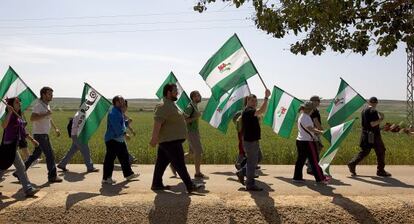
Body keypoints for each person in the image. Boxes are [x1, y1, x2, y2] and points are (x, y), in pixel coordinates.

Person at [149, 83, 202, 193]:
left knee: (161, 164)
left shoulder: (171, 104)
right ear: (168, 92)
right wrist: (154, 138)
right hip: (170, 141)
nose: (177, 92)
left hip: (169, 141)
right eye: (175, 91)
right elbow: (158, 122)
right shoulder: (162, 105)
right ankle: (190, 185)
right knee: (180, 164)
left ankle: (156, 184)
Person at [0, 97, 40, 197]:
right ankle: (28, 189)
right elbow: (4, 126)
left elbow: (23, 132)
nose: (19, 104)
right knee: (3, 168)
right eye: (17, 102)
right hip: (7, 146)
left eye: (19, 102)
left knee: (20, 167)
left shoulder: (18, 117)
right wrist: (9, 113)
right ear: (11, 105)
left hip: (14, 145)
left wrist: (32, 140)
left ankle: (28, 189)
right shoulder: (9, 115)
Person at [22, 86, 62, 183]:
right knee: (50, 154)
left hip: (43, 134)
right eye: (49, 94)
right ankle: (52, 176)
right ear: (43, 95)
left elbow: (49, 118)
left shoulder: (46, 105)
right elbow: (32, 118)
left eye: (52, 94)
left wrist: (55, 128)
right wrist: (46, 114)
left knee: (36, 155)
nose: (51, 96)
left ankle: (19, 172)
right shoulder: (38, 105)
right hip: (40, 134)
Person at [236, 89, 271, 191]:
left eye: (255, 101)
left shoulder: (250, 110)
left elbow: (260, 112)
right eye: (252, 101)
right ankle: (250, 184)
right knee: (252, 162)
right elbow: (261, 111)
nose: (254, 103)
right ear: (247, 101)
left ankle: (242, 171)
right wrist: (266, 98)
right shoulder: (248, 111)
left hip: (253, 140)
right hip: (250, 141)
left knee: (258, 158)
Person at [347, 97, 392, 177]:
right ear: (376, 103)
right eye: (375, 103)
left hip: (365, 134)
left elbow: (367, 124)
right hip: (374, 136)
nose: (375, 104)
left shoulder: (364, 110)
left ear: (369, 102)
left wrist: (380, 127)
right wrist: (381, 119)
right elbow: (372, 124)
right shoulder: (373, 111)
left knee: (365, 151)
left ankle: (352, 163)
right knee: (381, 151)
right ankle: (380, 171)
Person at [102, 95, 139, 184]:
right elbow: (116, 127)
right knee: (110, 159)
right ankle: (106, 178)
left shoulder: (118, 112)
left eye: (123, 101)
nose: (123, 102)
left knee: (124, 157)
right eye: (121, 101)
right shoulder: (113, 112)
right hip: (112, 139)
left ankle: (129, 174)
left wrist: (126, 123)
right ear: (116, 102)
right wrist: (125, 134)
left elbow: (121, 125)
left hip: (118, 139)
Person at [293, 101, 329, 184]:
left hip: (300, 141)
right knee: (314, 160)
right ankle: (320, 179)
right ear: (310, 109)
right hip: (307, 142)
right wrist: (321, 132)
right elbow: (310, 128)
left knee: (300, 160)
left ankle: (297, 177)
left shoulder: (301, 116)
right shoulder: (306, 117)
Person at [184, 90, 208, 179]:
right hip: (191, 132)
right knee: (198, 152)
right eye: (198, 95)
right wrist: (195, 117)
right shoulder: (190, 107)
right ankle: (197, 173)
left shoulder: (194, 106)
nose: (200, 96)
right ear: (193, 97)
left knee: (191, 152)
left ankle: (174, 164)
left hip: (194, 132)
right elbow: (184, 120)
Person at [306, 95, 324, 175]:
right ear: (313, 101)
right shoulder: (314, 111)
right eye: (318, 100)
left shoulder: (311, 110)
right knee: (316, 149)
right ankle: (310, 168)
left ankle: (308, 162)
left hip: (312, 132)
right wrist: (321, 130)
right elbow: (316, 122)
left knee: (316, 148)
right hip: (314, 133)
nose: (319, 102)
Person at [122, 100, 137, 165]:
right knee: (122, 148)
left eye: (126, 107)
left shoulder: (123, 115)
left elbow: (126, 124)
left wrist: (132, 130)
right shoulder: (118, 114)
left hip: (120, 135)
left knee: (114, 150)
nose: (125, 108)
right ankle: (131, 159)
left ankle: (130, 159)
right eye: (124, 106)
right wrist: (125, 134)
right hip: (117, 135)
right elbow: (121, 125)